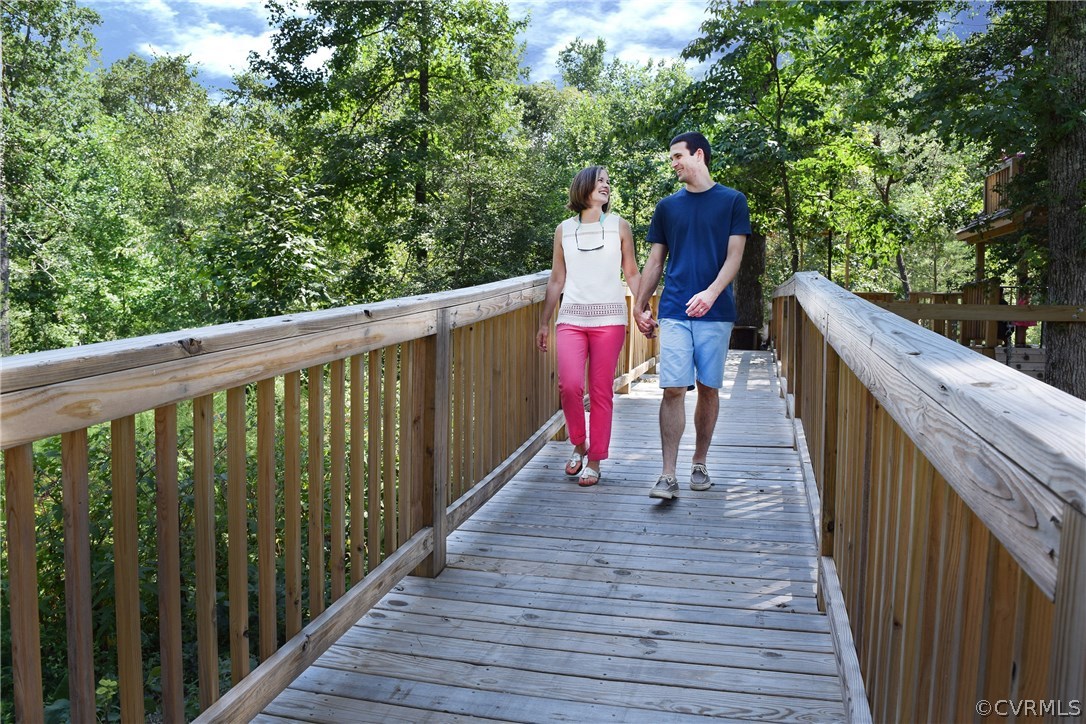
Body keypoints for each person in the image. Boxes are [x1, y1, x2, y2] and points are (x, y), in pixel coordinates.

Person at [632, 132, 751, 500]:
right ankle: (668, 474)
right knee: (671, 388)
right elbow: (655, 261)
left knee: (708, 388)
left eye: (678, 156)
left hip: (716, 312)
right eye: (672, 158)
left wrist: (712, 292)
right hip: (675, 308)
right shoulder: (668, 207)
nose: (674, 164)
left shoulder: (732, 201)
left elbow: (735, 256)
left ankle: (699, 462)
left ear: (699, 155)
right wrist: (639, 303)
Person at [536, 166, 641, 487]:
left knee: (600, 391)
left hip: (609, 320)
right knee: (568, 385)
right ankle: (579, 444)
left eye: (608, 182)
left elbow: (633, 274)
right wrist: (543, 322)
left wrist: (643, 308)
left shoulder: (619, 227)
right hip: (571, 319)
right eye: (600, 181)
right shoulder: (563, 230)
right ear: (583, 187)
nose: (606, 186)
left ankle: (594, 460)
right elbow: (557, 279)